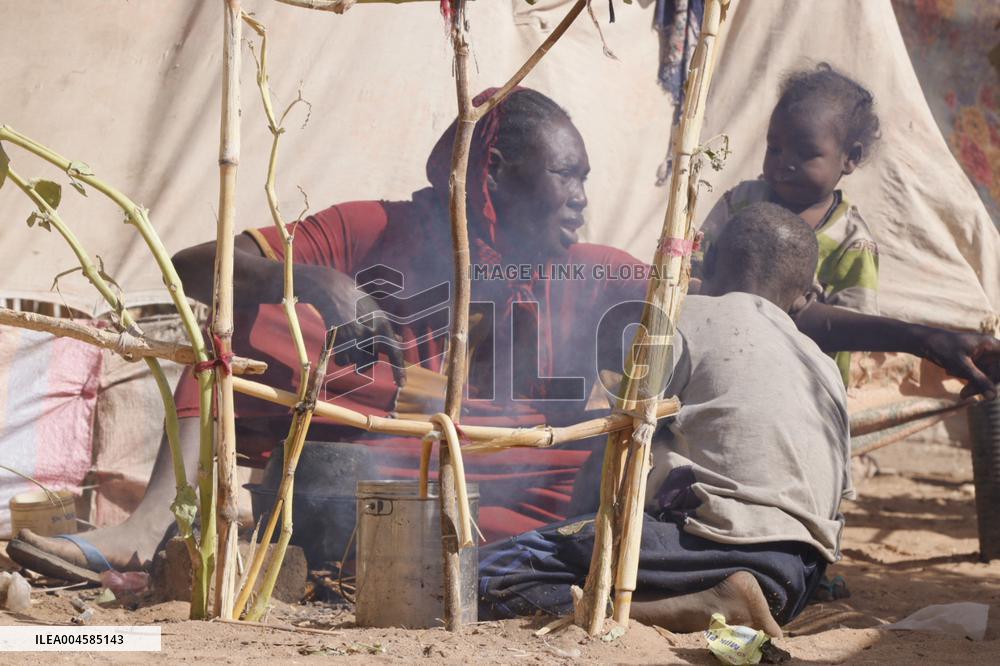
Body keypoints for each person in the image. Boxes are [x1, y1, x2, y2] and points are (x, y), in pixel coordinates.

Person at [8, 88, 998, 580]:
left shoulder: (594, 271)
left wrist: (920, 332)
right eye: (564, 176)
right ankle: (148, 533)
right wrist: (303, 278)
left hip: (503, 507)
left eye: (585, 179)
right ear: (493, 176)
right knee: (234, 326)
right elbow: (196, 264)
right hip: (349, 470)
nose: (581, 197)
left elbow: (750, 308)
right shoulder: (367, 231)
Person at [479, 203, 852, 635]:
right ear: (806, 296)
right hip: (797, 575)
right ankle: (710, 599)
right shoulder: (825, 367)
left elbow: (620, 442)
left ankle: (689, 607)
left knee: (491, 573)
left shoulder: (681, 318)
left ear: (709, 261)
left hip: (711, 546)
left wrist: (580, 530)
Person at [699, 64, 882, 382]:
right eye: (774, 148)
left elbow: (855, 327)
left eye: (805, 153)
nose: (784, 163)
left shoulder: (851, 243)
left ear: (849, 157)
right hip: (721, 359)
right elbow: (696, 260)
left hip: (800, 380)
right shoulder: (742, 201)